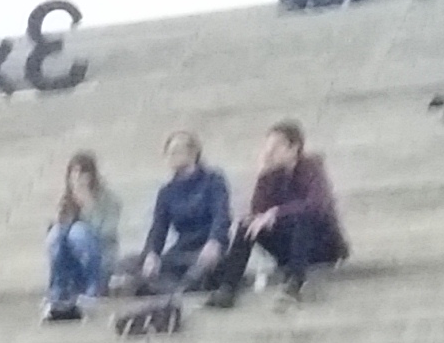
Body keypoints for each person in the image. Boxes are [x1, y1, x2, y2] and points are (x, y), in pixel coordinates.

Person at [197, 120, 350, 307]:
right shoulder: (272, 175)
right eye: (268, 146)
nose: (270, 151)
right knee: (247, 225)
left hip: (321, 246)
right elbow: (258, 212)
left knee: (302, 217)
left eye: (277, 146)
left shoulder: (312, 167)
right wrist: (262, 176)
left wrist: (277, 213)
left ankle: (294, 284)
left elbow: (316, 205)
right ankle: (228, 287)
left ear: (294, 147)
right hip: (290, 247)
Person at [132, 129, 233, 293]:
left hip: (208, 247)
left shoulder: (213, 180)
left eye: (176, 152)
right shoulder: (167, 192)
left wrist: (214, 241)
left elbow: (221, 216)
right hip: (182, 250)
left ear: (193, 153)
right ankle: (173, 288)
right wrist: (152, 254)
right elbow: (158, 228)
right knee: (135, 265)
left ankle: (185, 286)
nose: (171, 157)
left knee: (204, 267)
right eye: (169, 153)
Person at [42, 153, 122, 320]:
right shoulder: (66, 200)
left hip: (99, 261)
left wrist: (88, 207)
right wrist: (60, 218)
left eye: (83, 173)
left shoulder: (109, 200)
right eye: (74, 174)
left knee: (78, 231)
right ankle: (57, 291)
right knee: (57, 233)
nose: (78, 179)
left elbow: (107, 233)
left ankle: (92, 290)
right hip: (72, 266)